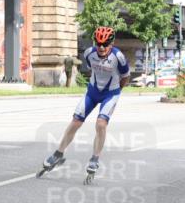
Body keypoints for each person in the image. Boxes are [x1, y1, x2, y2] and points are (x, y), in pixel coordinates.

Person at [41, 26, 130, 181]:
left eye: (105, 44)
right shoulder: (89, 53)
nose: (101, 47)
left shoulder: (119, 57)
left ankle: (95, 159)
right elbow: (92, 70)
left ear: (112, 42)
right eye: (98, 43)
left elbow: (125, 77)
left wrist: (116, 92)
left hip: (111, 93)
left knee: (101, 124)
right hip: (92, 92)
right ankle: (58, 154)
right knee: (75, 121)